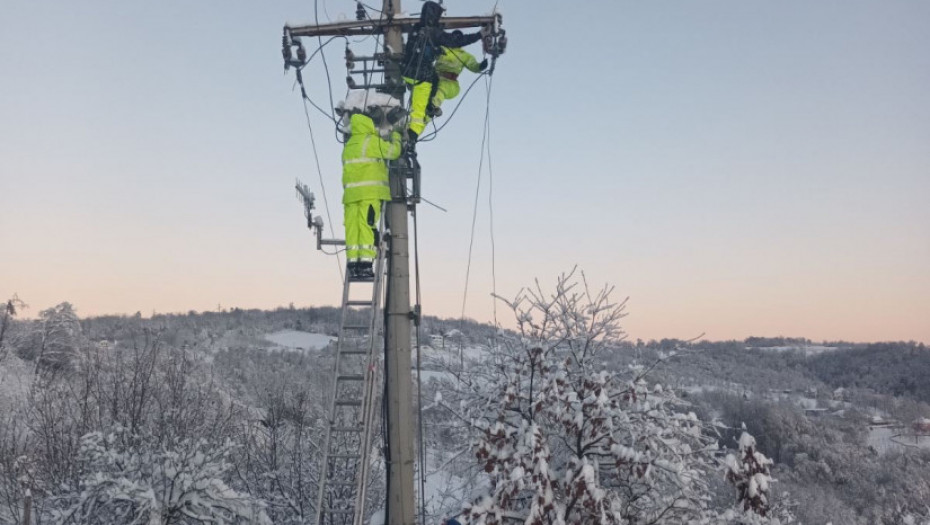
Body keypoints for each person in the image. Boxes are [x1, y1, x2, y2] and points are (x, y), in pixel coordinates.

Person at [401, 1, 483, 143]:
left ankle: (428, 106)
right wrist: (479, 35)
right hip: (421, 77)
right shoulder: (434, 32)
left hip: (407, 72)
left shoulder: (416, 28)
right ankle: (411, 139)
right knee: (418, 114)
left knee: (435, 81)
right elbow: (455, 40)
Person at [342, 107, 402, 279]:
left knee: (353, 230)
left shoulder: (350, 145)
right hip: (369, 193)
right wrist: (396, 136)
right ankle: (366, 266)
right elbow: (394, 152)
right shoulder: (371, 142)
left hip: (349, 196)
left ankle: (353, 265)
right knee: (367, 226)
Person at [429, 39, 488, 116]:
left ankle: (434, 105)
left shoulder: (464, 55)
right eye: (454, 37)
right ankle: (418, 119)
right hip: (434, 78)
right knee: (422, 91)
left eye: (458, 38)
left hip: (450, 83)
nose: (456, 39)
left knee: (442, 88)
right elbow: (431, 52)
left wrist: (480, 66)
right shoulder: (443, 49)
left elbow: (473, 65)